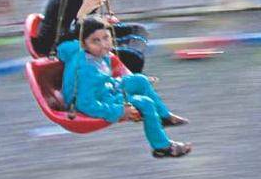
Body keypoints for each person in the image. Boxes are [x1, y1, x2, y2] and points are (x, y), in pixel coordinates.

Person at [57, 17, 191, 158]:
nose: (103, 45)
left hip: (104, 89)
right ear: (83, 44)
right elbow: (85, 104)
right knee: (145, 103)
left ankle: (164, 116)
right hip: (95, 101)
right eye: (95, 41)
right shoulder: (86, 71)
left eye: (106, 38)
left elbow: (63, 49)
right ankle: (162, 147)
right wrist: (120, 111)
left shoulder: (85, 51)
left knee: (140, 80)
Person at [34, 0, 151, 73]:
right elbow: (63, 39)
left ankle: (127, 68)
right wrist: (81, 15)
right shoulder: (62, 1)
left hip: (86, 34)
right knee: (133, 57)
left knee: (138, 31)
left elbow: (91, 16)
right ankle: (127, 75)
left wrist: (99, 19)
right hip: (62, 47)